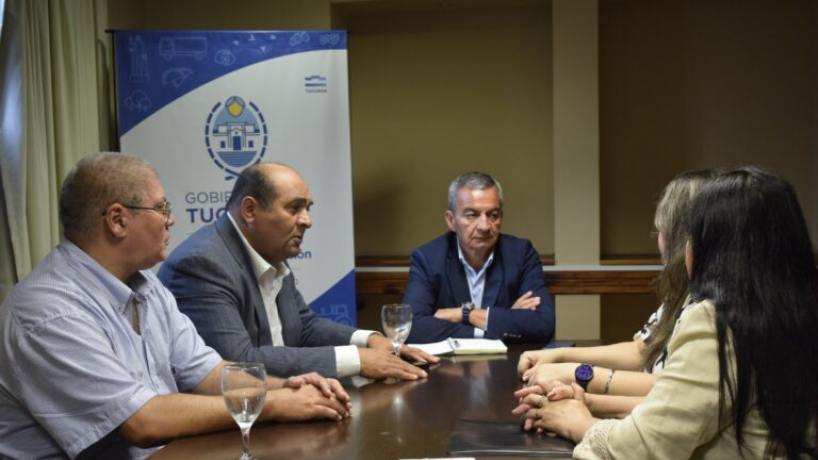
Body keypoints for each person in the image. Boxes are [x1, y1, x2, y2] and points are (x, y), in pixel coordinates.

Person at [0, 153, 351, 459]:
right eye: (162, 208)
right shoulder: (48, 310)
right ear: (118, 220)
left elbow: (207, 373)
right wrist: (271, 404)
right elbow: (142, 421)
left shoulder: (147, 285)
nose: (171, 220)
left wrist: (286, 388)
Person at [516, 167, 818, 458]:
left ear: (713, 249)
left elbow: (643, 449)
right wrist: (590, 401)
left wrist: (575, 420)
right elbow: (690, 411)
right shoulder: (791, 311)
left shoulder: (718, 321)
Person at [159, 162, 438, 381]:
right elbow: (239, 363)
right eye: (294, 208)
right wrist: (358, 359)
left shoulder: (269, 249)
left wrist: (372, 340)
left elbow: (303, 327)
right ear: (250, 210)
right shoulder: (201, 265)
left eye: (307, 208)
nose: (307, 221)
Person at [516, 170, 716, 418]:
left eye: (660, 232)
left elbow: (675, 390)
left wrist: (577, 375)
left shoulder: (708, 306)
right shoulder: (684, 292)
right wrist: (558, 356)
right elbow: (641, 350)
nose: (658, 242)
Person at [403, 171, 555, 343]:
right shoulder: (428, 258)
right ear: (451, 220)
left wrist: (466, 314)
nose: (484, 226)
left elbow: (543, 324)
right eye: (472, 215)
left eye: (493, 215)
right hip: (447, 361)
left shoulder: (520, 254)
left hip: (510, 359)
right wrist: (501, 322)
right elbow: (410, 327)